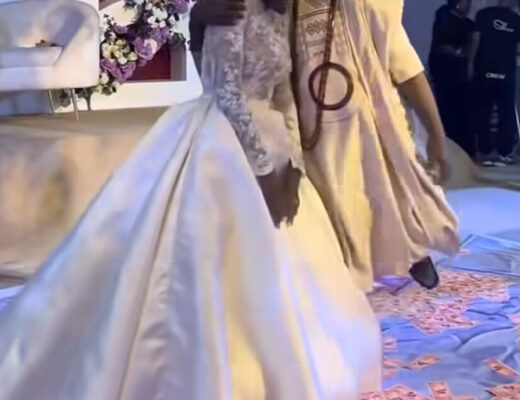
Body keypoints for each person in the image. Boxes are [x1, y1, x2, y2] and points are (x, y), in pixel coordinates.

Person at [0, 0, 382, 398]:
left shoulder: (280, 14)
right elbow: (226, 94)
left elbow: (284, 96)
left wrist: (294, 166)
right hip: (226, 142)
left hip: (274, 142)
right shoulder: (233, 8)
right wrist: (264, 174)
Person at [192, 0, 459, 293]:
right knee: (335, 218)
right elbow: (227, 72)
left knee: (394, 197)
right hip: (314, 136)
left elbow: (405, 67)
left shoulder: (368, 5)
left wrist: (436, 134)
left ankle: (410, 251)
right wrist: (196, 20)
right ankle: (348, 284)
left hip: (374, 123)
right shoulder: (282, 8)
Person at [469, 0, 520, 166]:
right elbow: (518, 48)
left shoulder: (483, 15)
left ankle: (484, 152)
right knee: (506, 112)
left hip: (485, 70)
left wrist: (470, 64)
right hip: (506, 72)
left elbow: (475, 41)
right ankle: (504, 152)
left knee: (483, 110)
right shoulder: (515, 19)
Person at [429, 0, 475, 157]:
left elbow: (470, 47)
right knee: (445, 109)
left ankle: (464, 150)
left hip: (461, 74)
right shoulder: (444, 14)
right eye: (467, 2)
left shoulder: (469, 24)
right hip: (445, 71)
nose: (469, 6)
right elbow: (443, 45)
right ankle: (446, 148)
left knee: (463, 111)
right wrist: (458, 52)